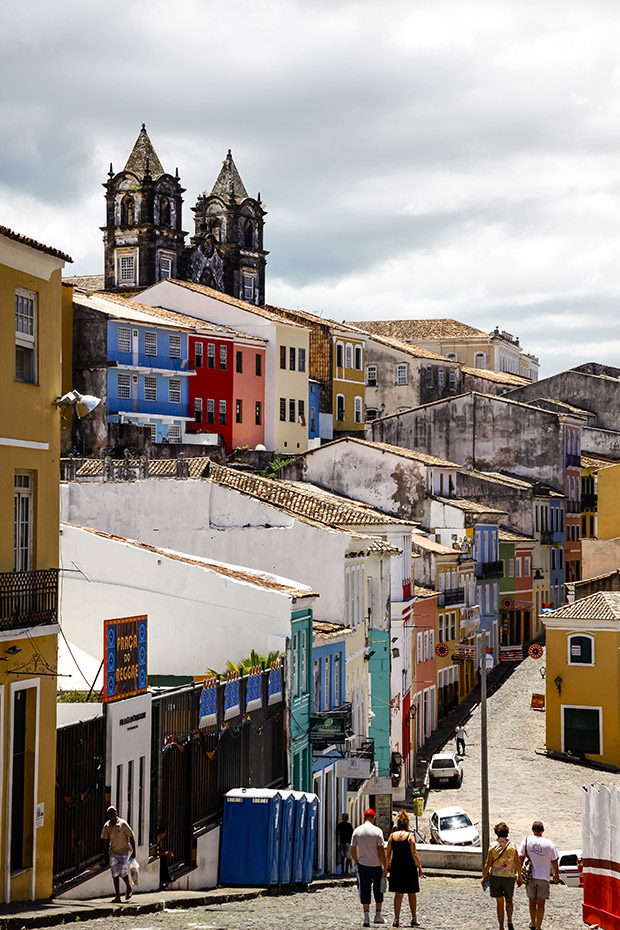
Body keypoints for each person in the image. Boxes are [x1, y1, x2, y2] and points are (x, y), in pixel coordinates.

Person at [481, 821, 522, 930]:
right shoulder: (513, 847)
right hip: (509, 877)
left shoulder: (493, 846)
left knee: (499, 902)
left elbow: (487, 864)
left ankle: (501, 926)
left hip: (495, 876)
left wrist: (484, 876)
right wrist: (520, 877)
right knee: (509, 900)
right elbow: (517, 863)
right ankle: (510, 920)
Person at [519, 820, 560, 930]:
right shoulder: (549, 843)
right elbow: (554, 860)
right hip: (543, 877)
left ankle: (532, 923)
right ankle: (538, 926)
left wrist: (519, 872)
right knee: (541, 903)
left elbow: (520, 856)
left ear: (532, 830)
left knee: (532, 901)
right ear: (543, 830)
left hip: (530, 875)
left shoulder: (526, 840)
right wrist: (556, 873)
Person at [351, 808, 388, 927]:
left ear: (363, 818)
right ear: (374, 818)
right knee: (379, 890)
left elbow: (352, 848)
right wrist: (385, 865)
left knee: (364, 890)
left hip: (363, 865)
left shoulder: (357, 831)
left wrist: (356, 860)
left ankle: (366, 917)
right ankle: (378, 915)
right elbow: (381, 850)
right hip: (376, 865)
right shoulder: (378, 831)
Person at [386, 809, 423, 927]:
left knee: (398, 894)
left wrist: (387, 866)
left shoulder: (392, 836)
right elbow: (414, 854)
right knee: (412, 894)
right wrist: (419, 866)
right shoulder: (410, 836)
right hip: (409, 868)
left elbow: (388, 854)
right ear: (407, 823)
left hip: (396, 867)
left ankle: (396, 919)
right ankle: (414, 918)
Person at [101, 806, 137, 902]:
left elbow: (131, 836)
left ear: (116, 813)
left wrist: (134, 851)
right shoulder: (107, 826)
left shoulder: (123, 824)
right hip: (113, 851)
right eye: (110, 814)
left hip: (124, 851)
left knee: (122, 872)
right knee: (115, 874)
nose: (112, 816)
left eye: (113, 813)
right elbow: (104, 840)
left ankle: (128, 886)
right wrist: (103, 854)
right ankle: (117, 896)